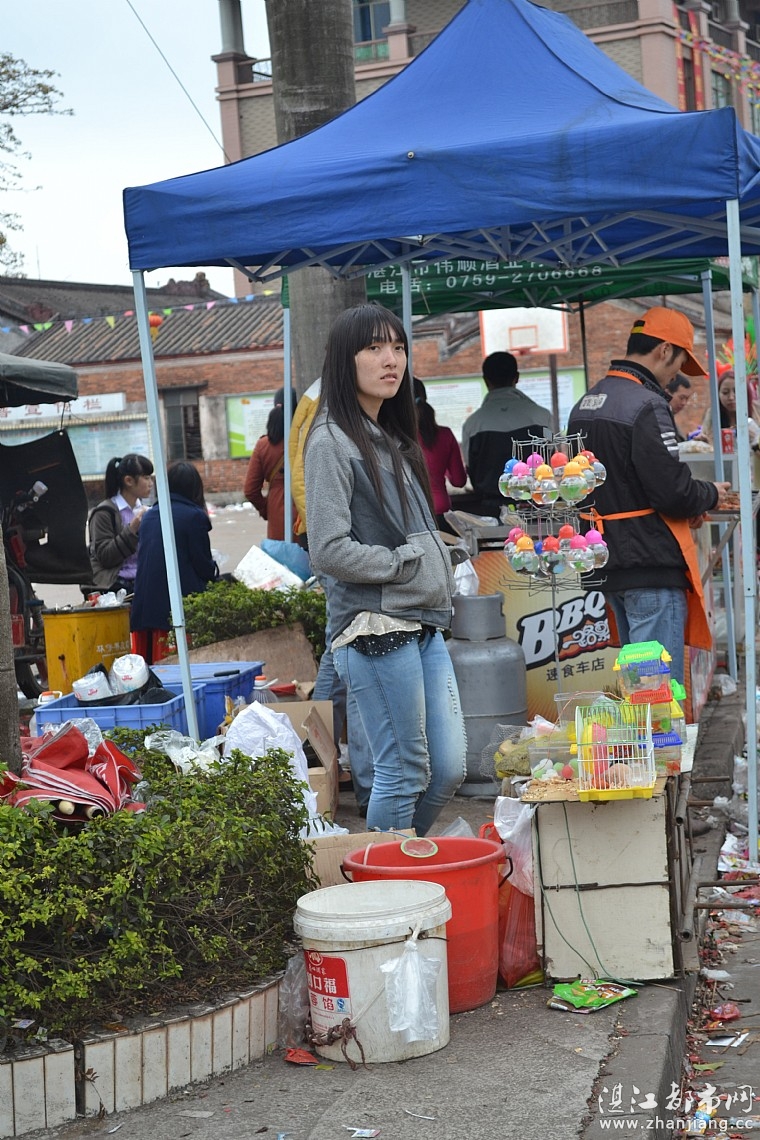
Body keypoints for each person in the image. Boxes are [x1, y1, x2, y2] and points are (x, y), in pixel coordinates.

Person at [304, 303, 466, 835]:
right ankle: (390, 871)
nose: (390, 359)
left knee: (448, 769)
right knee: (403, 771)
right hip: (374, 625)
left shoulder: (392, 439)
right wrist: (402, 565)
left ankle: (395, 856)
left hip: (422, 621)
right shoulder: (330, 441)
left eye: (397, 347)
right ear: (344, 360)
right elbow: (327, 550)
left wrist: (441, 556)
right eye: (373, 348)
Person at [567, 306, 730, 684]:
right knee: (656, 692)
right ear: (664, 350)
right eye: (680, 363)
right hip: (648, 566)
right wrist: (709, 494)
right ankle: (656, 726)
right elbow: (672, 491)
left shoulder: (587, 402)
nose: (676, 376)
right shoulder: (647, 404)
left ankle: (645, 724)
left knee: (640, 686)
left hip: (609, 563)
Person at [289, 377, 374, 814]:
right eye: (374, 348)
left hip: (338, 546)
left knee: (339, 651)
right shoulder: (329, 408)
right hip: (342, 550)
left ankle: (319, 757)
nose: (387, 359)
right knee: (353, 651)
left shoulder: (322, 400)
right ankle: (363, 781)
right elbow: (309, 484)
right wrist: (337, 545)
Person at [130, 461, 219, 665]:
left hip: (145, 608)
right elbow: (203, 566)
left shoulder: (150, 516)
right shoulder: (194, 516)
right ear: (195, 488)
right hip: (175, 610)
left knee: (151, 669)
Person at [461, 351, 552, 516]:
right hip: (537, 508)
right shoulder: (542, 416)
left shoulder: (473, 424)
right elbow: (551, 458)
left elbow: (471, 468)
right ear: (516, 378)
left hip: (491, 511)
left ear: (486, 381)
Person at [88, 454, 154, 593]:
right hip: (116, 585)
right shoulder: (104, 513)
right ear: (129, 481)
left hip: (144, 579)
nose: (151, 483)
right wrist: (132, 529)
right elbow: (105, 556)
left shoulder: (146, 510)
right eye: (146, 477)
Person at [414, 377, 467, 529]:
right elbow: (459, 481)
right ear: (425, 397)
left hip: (411, 514)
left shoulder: (396, 436)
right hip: (442, 512)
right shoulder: (445, 434)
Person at [244, 387, 297, 540]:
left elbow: (250, 490)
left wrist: (266, 509)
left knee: (281, 554)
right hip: (306, 511)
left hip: (277, 511)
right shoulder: (306, 439)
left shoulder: (263, 445)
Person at [697, 365, 760, 451]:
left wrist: (756, 438)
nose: (731, 397)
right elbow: (707, 447)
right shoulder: (712, 415)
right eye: (725, 392)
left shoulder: (757, 411)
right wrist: (704, 444)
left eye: (736, 391)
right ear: (718, 395)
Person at [664, 373, 692, 443]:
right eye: (681, 398)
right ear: (667, 393)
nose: (684, 403)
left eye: (687, 399)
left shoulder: (670, 418)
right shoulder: (659, 418)